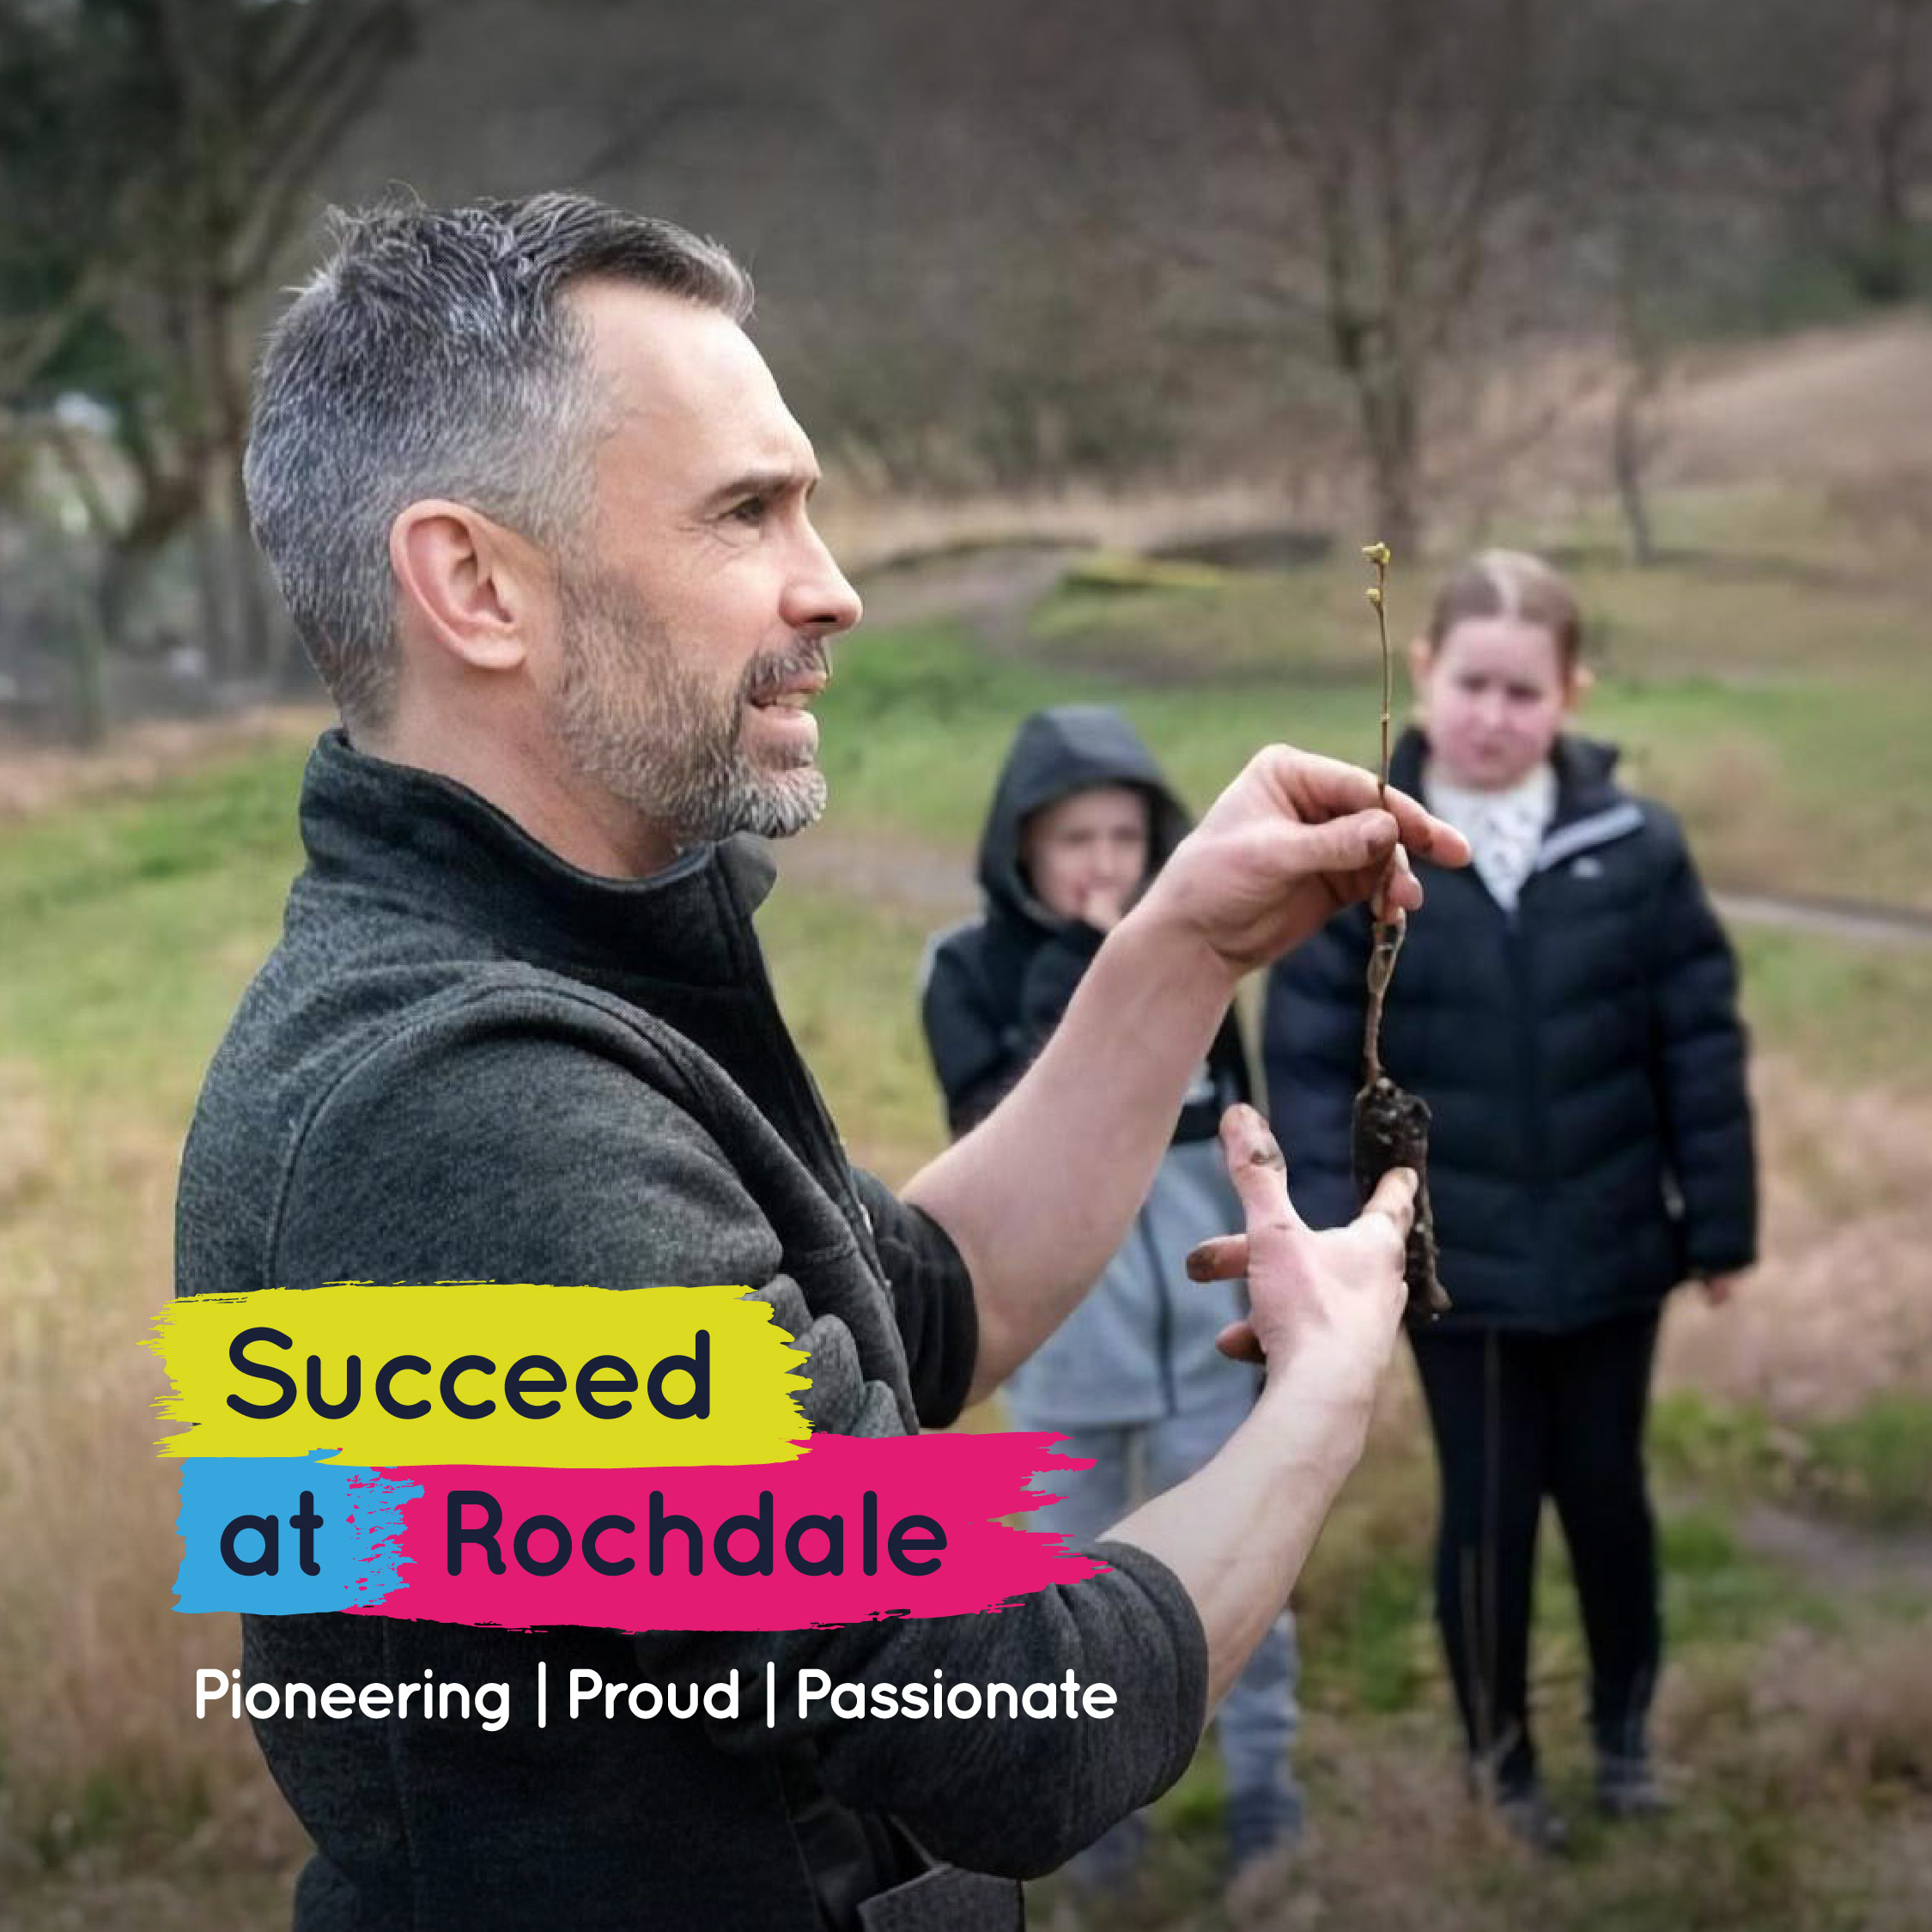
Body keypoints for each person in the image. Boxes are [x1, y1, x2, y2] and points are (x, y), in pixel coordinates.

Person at [177, 191, 1468, 1932]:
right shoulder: (459, 1113)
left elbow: (911, 1308)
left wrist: (1177, 949)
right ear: (475, 584)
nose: (833, 587)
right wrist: (1317, 1397)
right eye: (745, 514)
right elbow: (1012, 1715)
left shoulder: (542, 979)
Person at [1262, 549, 1757, 1850]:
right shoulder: (1369, 852)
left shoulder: (1631, 847)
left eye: (1522, 691)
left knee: (1605, 1497)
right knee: (1488, 1513)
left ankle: (1623, 1734)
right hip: (1452, 1264)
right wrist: (1335, 1236)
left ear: (1569, 697)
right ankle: (1502, 1761)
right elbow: (1315, 1056)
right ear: (1422, 670)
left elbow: (1694, 1039)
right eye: (1471, 681)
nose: (1492, 712)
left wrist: (1717, 1222)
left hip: (1609, 1254)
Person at [919, 705, 1303, 1911]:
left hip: (1202, 1346)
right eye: (1072, 836)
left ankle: (1265, 1803)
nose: (1100, 863)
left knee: (1248, 1569)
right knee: (1059, 1593)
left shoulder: (1199, 972)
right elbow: (987, 1123)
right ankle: (1086, 1819)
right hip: (1061, 1355)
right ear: (1018, 846)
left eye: (1124, 836)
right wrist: (1074, 965)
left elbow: (1233, 1136)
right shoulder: (964, 969)